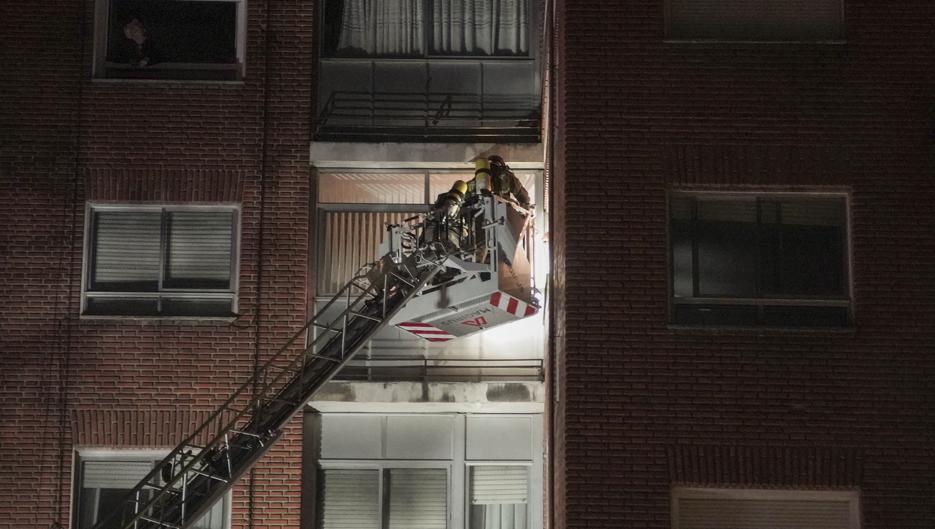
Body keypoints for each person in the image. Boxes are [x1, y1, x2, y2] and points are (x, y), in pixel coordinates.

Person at [467, 155, 532, 209]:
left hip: (484, 208)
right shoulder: (507, 176)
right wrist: (526, 207)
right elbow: (521, 194)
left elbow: (467, 193)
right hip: (503, 208)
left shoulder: (480, 178)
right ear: (502, 165)